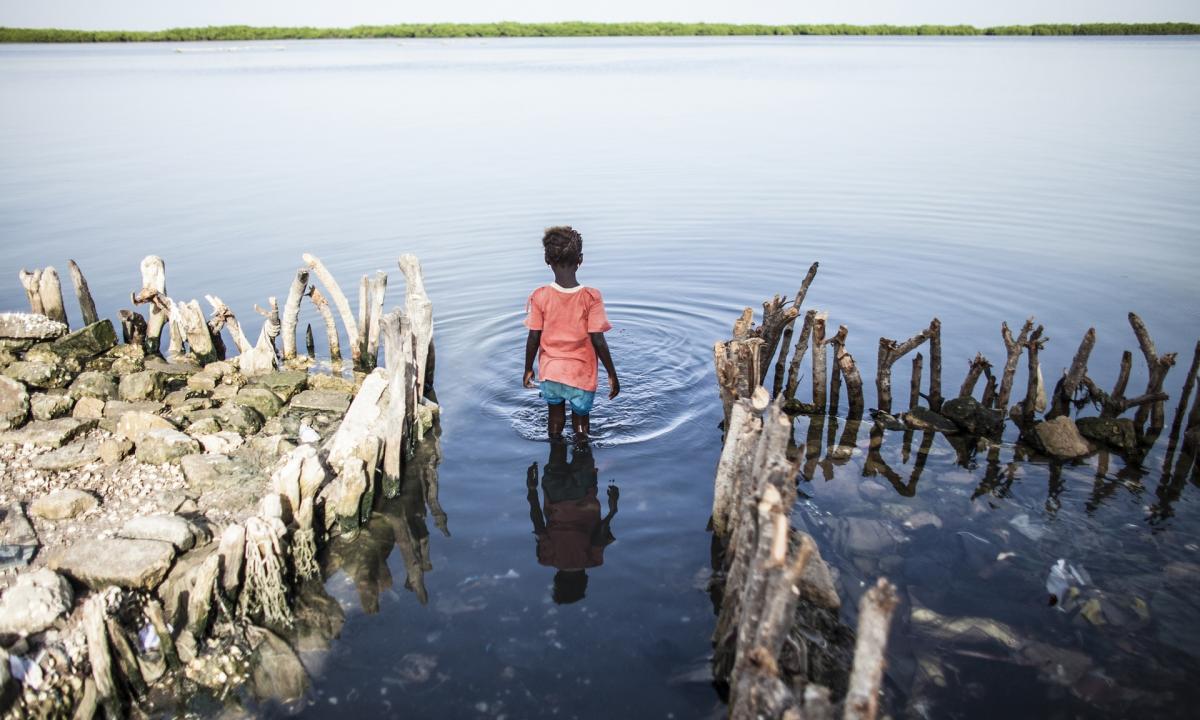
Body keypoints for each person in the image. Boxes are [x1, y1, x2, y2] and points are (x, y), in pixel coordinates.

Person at [522, 226, 620, 445]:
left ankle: (555, 459)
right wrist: (612, 373)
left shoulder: (540, 296)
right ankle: (582, 458)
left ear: (547, 260)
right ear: (581, 260)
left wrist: (528, 368)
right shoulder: (591, 297)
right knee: (581, 427)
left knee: (554, 420)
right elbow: (598, 339)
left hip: (551, 373)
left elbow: (533, 337)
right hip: (580, 376)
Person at [526, 443, 619, 604]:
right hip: (554, 493)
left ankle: (581, 421)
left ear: (584, 580)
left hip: (583, 493)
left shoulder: (593, 560)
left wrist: (613, 509)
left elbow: (600, 535)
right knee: (556, 444)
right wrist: (532, 490)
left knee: (582, 443)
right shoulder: (546, 558)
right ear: (557, 579)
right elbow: (538, 522)